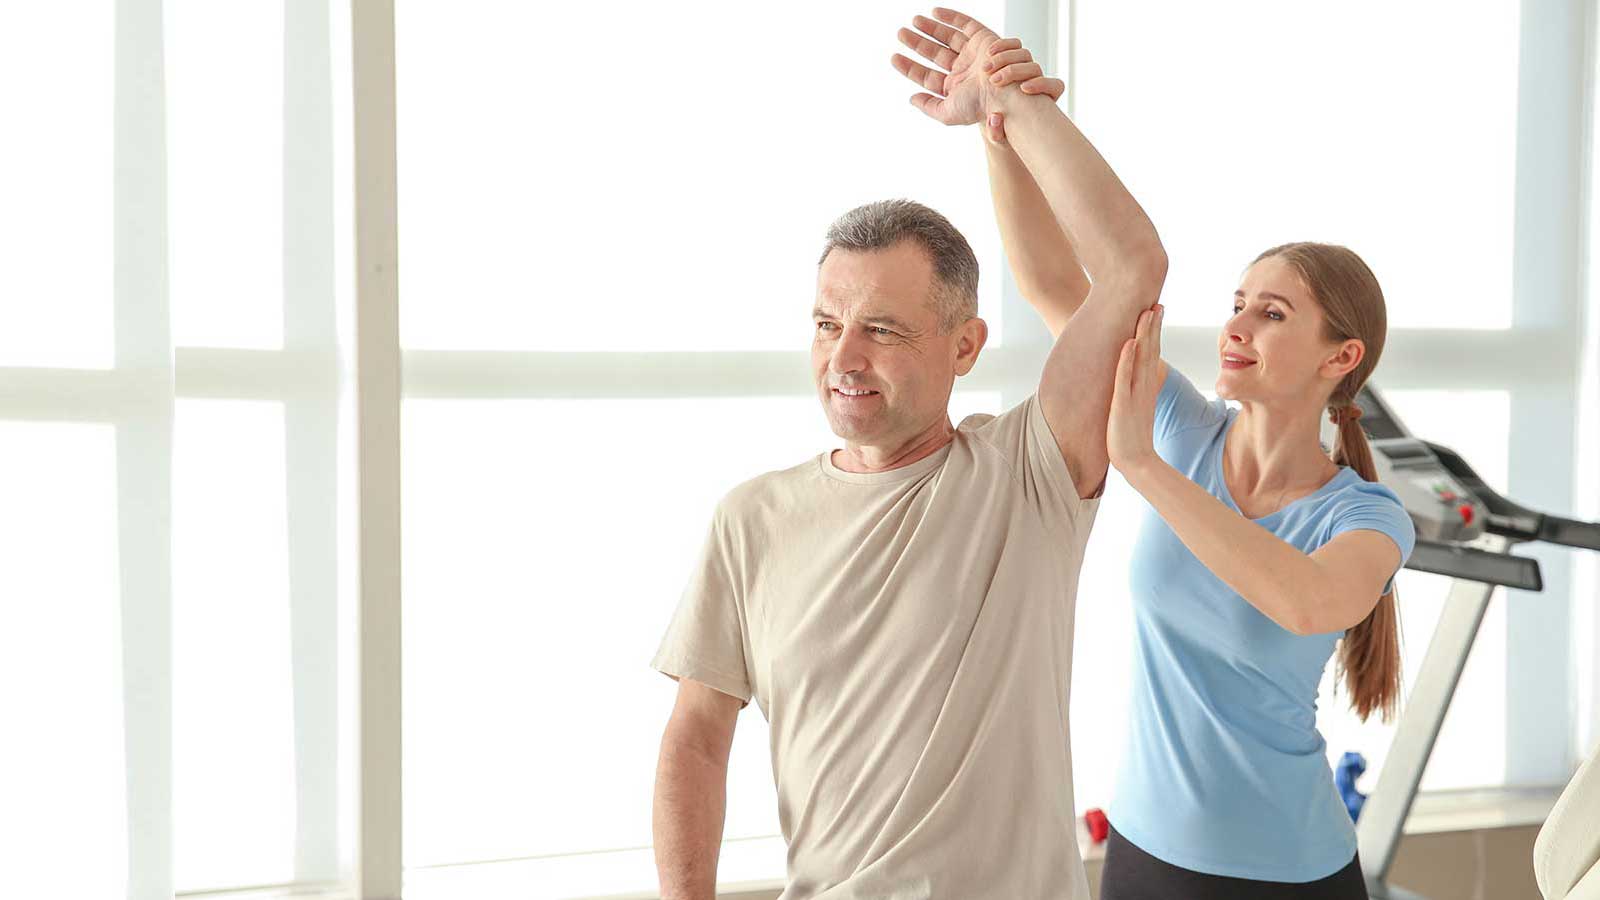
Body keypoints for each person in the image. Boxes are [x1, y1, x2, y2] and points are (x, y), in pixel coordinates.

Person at [650, 8, 1166, 898]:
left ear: (964, 346)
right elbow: (697, 732)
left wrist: (1010, 106)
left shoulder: (1028, 477)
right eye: (825, 325)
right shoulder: (751, 519)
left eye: (881, 330)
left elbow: (1130, 268)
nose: (842, 358)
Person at [982, 70, 1418, 900]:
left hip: (1287, 874)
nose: (1236, 325)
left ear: (1342, 357)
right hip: (1142, 849)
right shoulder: (1185, 428)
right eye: (1238, 303)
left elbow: (1304, 604)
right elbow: (1053, 287)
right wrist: (995, 128)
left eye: (1274, 313)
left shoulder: (1365, 515)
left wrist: (1140, 465)